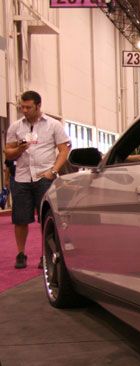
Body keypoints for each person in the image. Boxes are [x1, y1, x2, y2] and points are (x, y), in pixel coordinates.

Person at [3, 90, 70, 269]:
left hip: (44, 177)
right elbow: (8, 152)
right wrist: (19, 149)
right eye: (22, 107)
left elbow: (64, 150)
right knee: (20, 219)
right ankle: (20, 254)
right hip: (22, 178)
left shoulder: (53, 125)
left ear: (38, 106)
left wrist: (53, 171)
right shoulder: (15, 127)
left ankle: (45, 254)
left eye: (28, 107)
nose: (24, 110)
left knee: (46, 218)